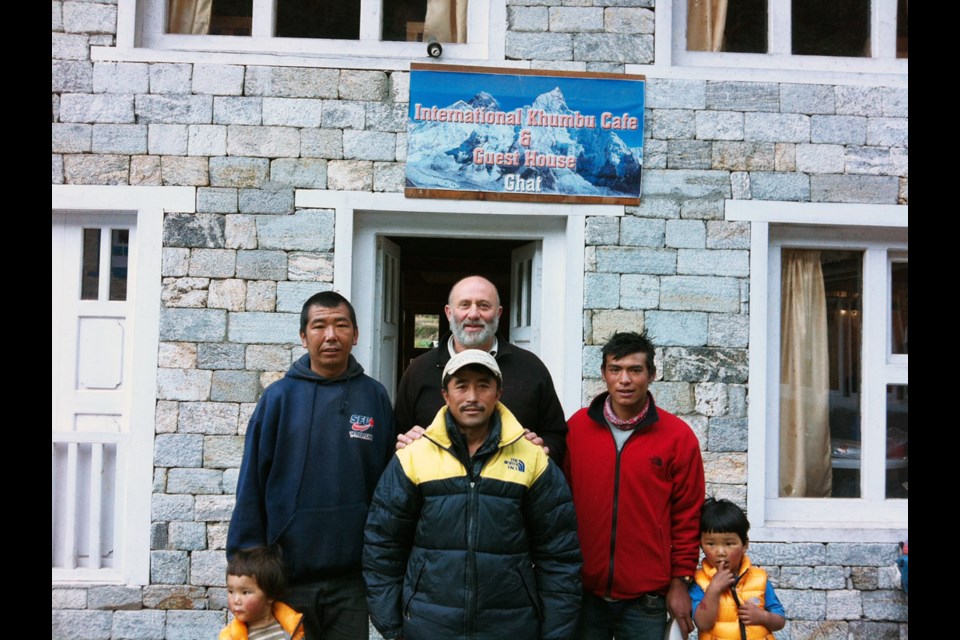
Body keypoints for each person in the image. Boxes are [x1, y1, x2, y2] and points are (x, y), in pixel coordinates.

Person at [363, 349, 583, 640]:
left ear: (498, 393)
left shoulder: (532, 459)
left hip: (511, 627)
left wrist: (555, 631)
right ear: (445, 394)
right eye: (461, 385)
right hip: (429, 626)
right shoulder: (413, 458)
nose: (472, 396)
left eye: (483, 385)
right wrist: (392, 625)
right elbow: (382, 545)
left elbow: (559, 554)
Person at [227, 291, 396, 639]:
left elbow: (388, 486)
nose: (331, 335)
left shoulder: (374, 396)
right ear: (304, 336)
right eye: (319, 326)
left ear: (356, 333)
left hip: (351, 582)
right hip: (287, 580)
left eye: (341, 325)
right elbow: (251, 486)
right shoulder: (278, 399)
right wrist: (244, 568)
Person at [564, 330, 705, 640]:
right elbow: (559, 504)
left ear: (651, 374)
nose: (624, 379)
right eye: (616, 369)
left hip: (647, 599)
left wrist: (681, 582)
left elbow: (687, 515)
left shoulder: (677, 437)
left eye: (635, 370)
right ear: (604, 374)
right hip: (584, 594)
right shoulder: (576, 428)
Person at [393, 275, 568, 463]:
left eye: (484, 305)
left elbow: (556, 435)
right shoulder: (418, 370)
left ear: (499, 313)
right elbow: (395, 436)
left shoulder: (531, 368)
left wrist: (545, 448)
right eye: (464, 305)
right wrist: (403, 442)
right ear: (449, 312)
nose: (474, 314)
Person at [690, 498, 786, 639]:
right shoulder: (700, 582)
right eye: (711, 544)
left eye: (729, 543)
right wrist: (713, 590)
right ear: (701, 545)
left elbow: (780, 620)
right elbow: (702, 623)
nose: (720, 552)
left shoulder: (759, 579)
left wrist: (763, 616)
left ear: (745, 544)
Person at [220, 546, 305, 640]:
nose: (235, 600)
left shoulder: (292, 628)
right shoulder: (230, 637)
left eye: (245, 592)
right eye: (231, 591)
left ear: (270, 595)